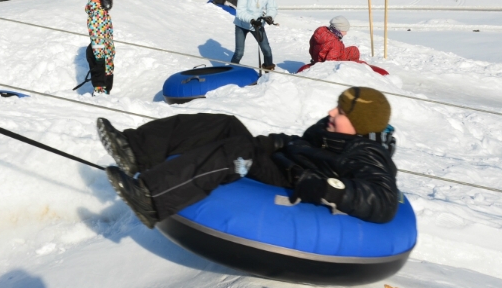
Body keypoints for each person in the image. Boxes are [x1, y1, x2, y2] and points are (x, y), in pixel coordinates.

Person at [98, 87, 397, 229]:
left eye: (341, 113)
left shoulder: (367, 153)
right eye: (336, 107)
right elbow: (304, 147)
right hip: (284, 163)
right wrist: (274, 143)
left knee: (236, 153)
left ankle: (151, 199)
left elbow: (383, 200)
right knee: (226, 125)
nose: (332, 113)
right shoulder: (333, 132)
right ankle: (134, 150)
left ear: (360, 127)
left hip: (293, 181)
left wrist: (330, 188)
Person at [300, 16, 390, 76]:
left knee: (353, 50)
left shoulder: (320, 33)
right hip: (330, 61)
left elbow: (312, 47)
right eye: (344, 31)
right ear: (338, 30)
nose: (346, 33)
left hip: (317, 58)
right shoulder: (335, 44)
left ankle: (357, 62)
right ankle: (361, 67)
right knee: (354, 53)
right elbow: (331, 63)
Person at [231, 0, 278, 70]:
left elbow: (272, 8)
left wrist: (270, 16)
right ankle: (231, 71)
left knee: (267, 50)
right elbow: (240, 11)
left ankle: (268, 71)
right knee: (239, 52)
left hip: (257, 25)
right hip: (241, 24)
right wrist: (251, 20)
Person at [85, 0, 117, 94]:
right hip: (101, 57)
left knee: (106, 84)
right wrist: (100, 60)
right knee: (101, 86)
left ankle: (104, 95)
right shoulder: (97, 13)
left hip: (105, 55)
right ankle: (100, 99)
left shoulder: (101, 11)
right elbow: (97, 35)